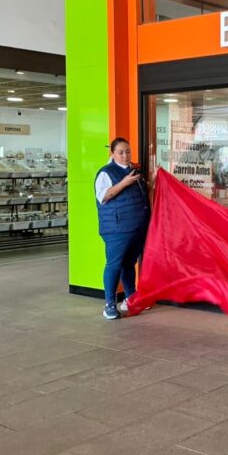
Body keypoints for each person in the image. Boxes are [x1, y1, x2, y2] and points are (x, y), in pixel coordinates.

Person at [95, 137, 150, 320]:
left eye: (128, 151)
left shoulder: (134, 171)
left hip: (137, 226)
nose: (125, 155)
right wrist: (124, 183)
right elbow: (103, 197)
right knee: (114, 264)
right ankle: (109, 304)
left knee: (129, 263)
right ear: (112, 153)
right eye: (121, 152)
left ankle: (131, 297)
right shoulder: (106, 173)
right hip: (117, 228)